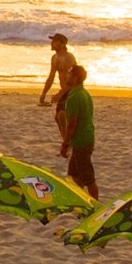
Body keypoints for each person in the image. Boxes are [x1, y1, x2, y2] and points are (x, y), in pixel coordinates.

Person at [55, 63, 97, 197]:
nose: (66, 76)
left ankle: (94, 205)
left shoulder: (74, 97)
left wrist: (65, 144)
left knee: (88, 178)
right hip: (87, 138)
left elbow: (72, 124)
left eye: (69, 74)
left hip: (81, 141)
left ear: (75, 78)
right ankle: (83, 201)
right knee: (74, 174)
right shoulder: (84, 93)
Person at [37, 33, 78, 106]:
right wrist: (44, 93)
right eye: (52, 41)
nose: (51, 43)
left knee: (55, 100)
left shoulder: (68, 58)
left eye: (54, 41)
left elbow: (73, 80)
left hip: (72, 91)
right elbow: (51, 77)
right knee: (53, 100)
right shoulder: (54, 57)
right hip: (64, 90)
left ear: (62, 44)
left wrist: (62, 94)